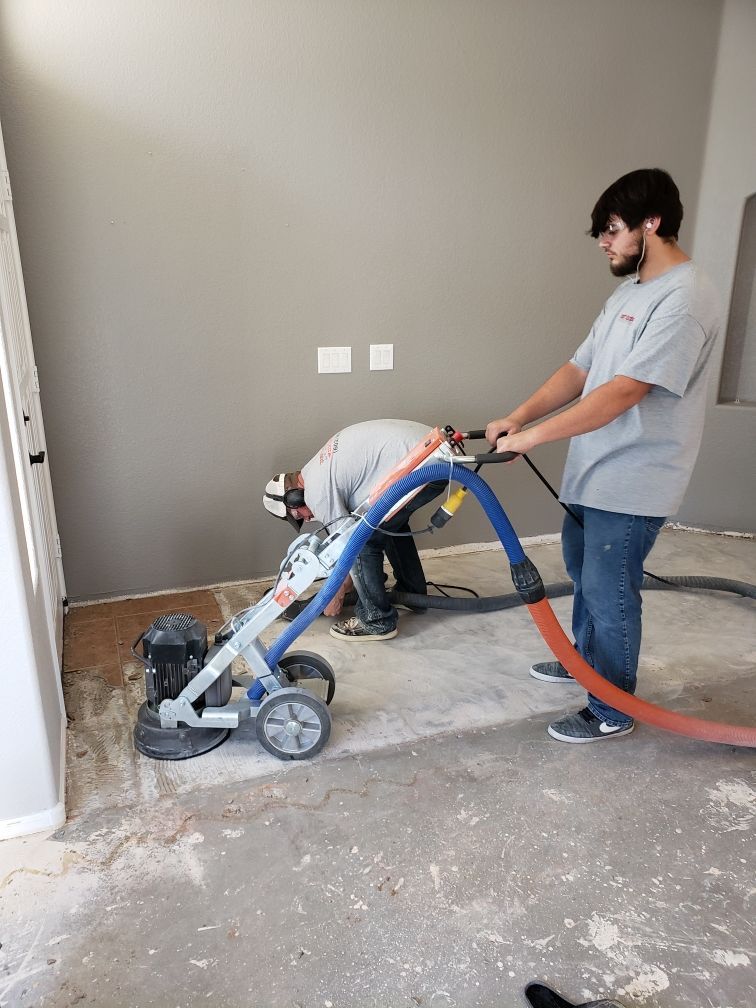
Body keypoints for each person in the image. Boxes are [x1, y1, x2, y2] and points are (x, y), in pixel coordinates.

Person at [486, 168, 720, 743]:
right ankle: (585, 664)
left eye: (612, 229)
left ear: (651, 223)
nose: (603, 242)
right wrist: (520, 416)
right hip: (593, 471)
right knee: (585, 577)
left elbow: (625, 391)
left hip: (636, 478)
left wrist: (533, 439)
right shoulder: (629, 292)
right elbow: (581, 369)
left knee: (610, 595)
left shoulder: (686, 298)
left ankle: (611, 708)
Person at [263, 419, 446, 641]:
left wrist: (334, 594)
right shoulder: (317, 471)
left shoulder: (316, 493)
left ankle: (376, 620)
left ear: (293, 498)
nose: (308, 518)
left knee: (364, 540)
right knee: (388, 526)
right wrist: (350, 582)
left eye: (299, 516)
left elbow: (348, 545)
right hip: (434, 452)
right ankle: (411, 592)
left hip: (423, 461)